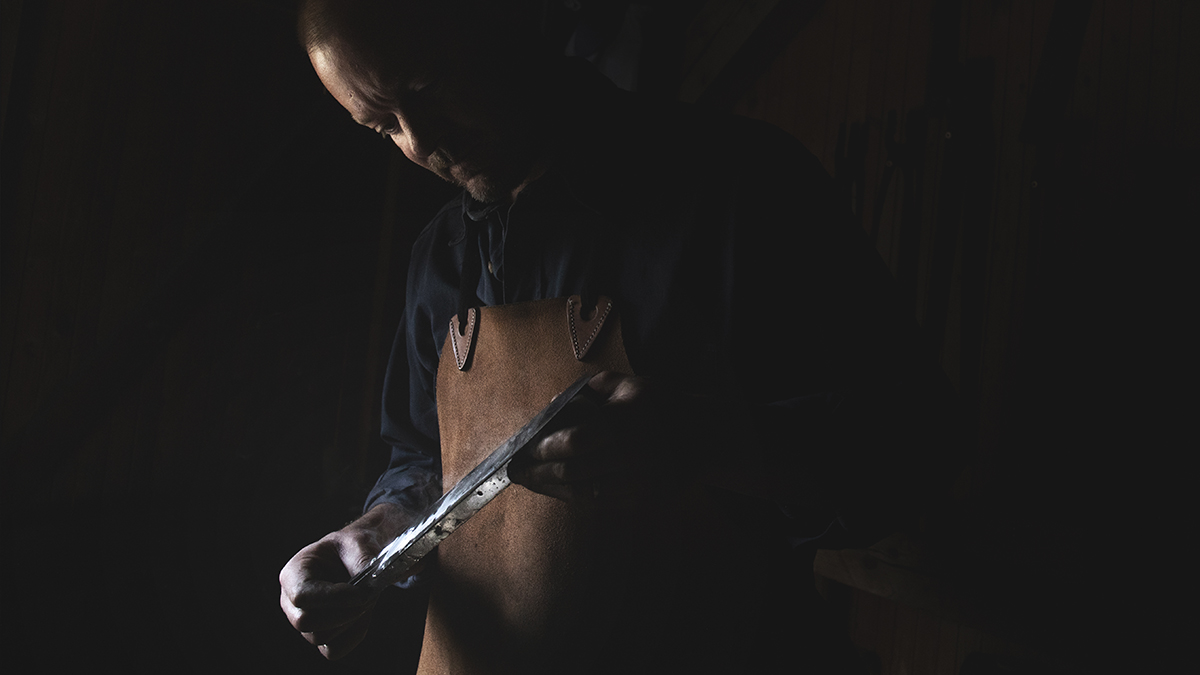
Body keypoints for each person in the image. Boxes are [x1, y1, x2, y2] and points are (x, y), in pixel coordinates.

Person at [279, 1, 961, 672]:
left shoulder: (738, 187)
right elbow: (421, 460)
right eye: (382, 128)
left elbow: (908, 449)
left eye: (427, 90)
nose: (422, 144)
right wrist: (370, 536)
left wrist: (706, 440)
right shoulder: (440, 261)